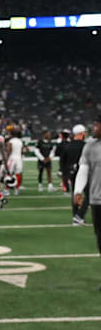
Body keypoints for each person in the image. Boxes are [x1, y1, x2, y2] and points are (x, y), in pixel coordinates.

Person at [73, 115, 101, 290]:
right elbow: (84, 168)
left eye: (97, 124)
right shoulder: (90, 145)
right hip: (98, 200)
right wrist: (77, 190)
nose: (94, 127)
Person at [64, 124, 90, 226]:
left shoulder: (68, 146)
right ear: (80, 133)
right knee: (89, 195)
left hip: (72, 173)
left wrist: (65, 174)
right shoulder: (85, 145)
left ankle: (75, 216)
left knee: (75, 194)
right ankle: (79, 216)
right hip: (84, 173)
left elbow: (63, 162)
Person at [6, 128, 24, 195]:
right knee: (18, 175)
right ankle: (17, 189)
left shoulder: (11, 141)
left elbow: (9, 151)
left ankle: (7, 189)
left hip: (12, 158)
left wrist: (6, 159)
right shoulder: (20, 141)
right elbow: (22, 152)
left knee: (9, 174)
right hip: (19, 159)